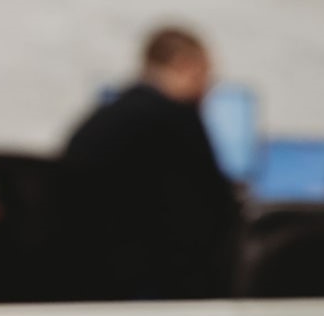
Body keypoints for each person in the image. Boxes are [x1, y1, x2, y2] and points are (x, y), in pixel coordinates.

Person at [58, 26, 239, 298]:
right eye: (207, 75)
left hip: (88, 275)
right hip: (147, 285)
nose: (207, 89)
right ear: (185, 66)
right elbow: (216, 211)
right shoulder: (176, 116)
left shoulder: (106, 115)